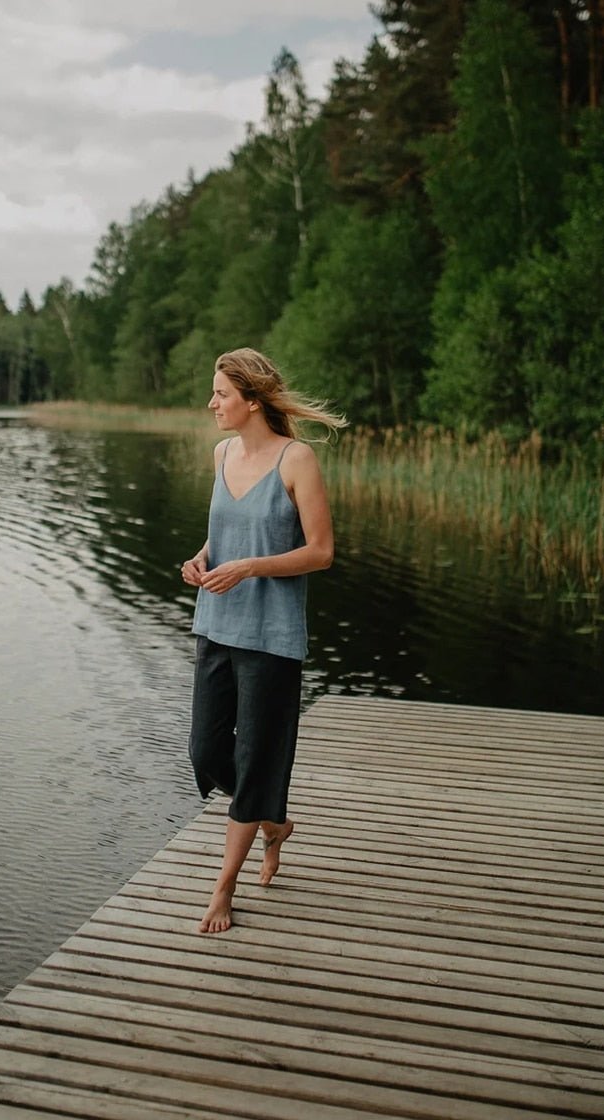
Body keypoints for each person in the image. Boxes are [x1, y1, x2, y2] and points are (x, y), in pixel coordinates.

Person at [181, 347, 346, 934]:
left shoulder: (296, 460)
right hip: (215, 627)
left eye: (221, 393)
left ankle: (223, 891)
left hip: (271, 640)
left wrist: (250, 567)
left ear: (252, 400)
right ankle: (273, 822)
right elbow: (219, 535)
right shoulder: (223, 452)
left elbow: (321, 552)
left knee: (254, 764)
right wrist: (200, 561)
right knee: (204, 755)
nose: (212, 403)